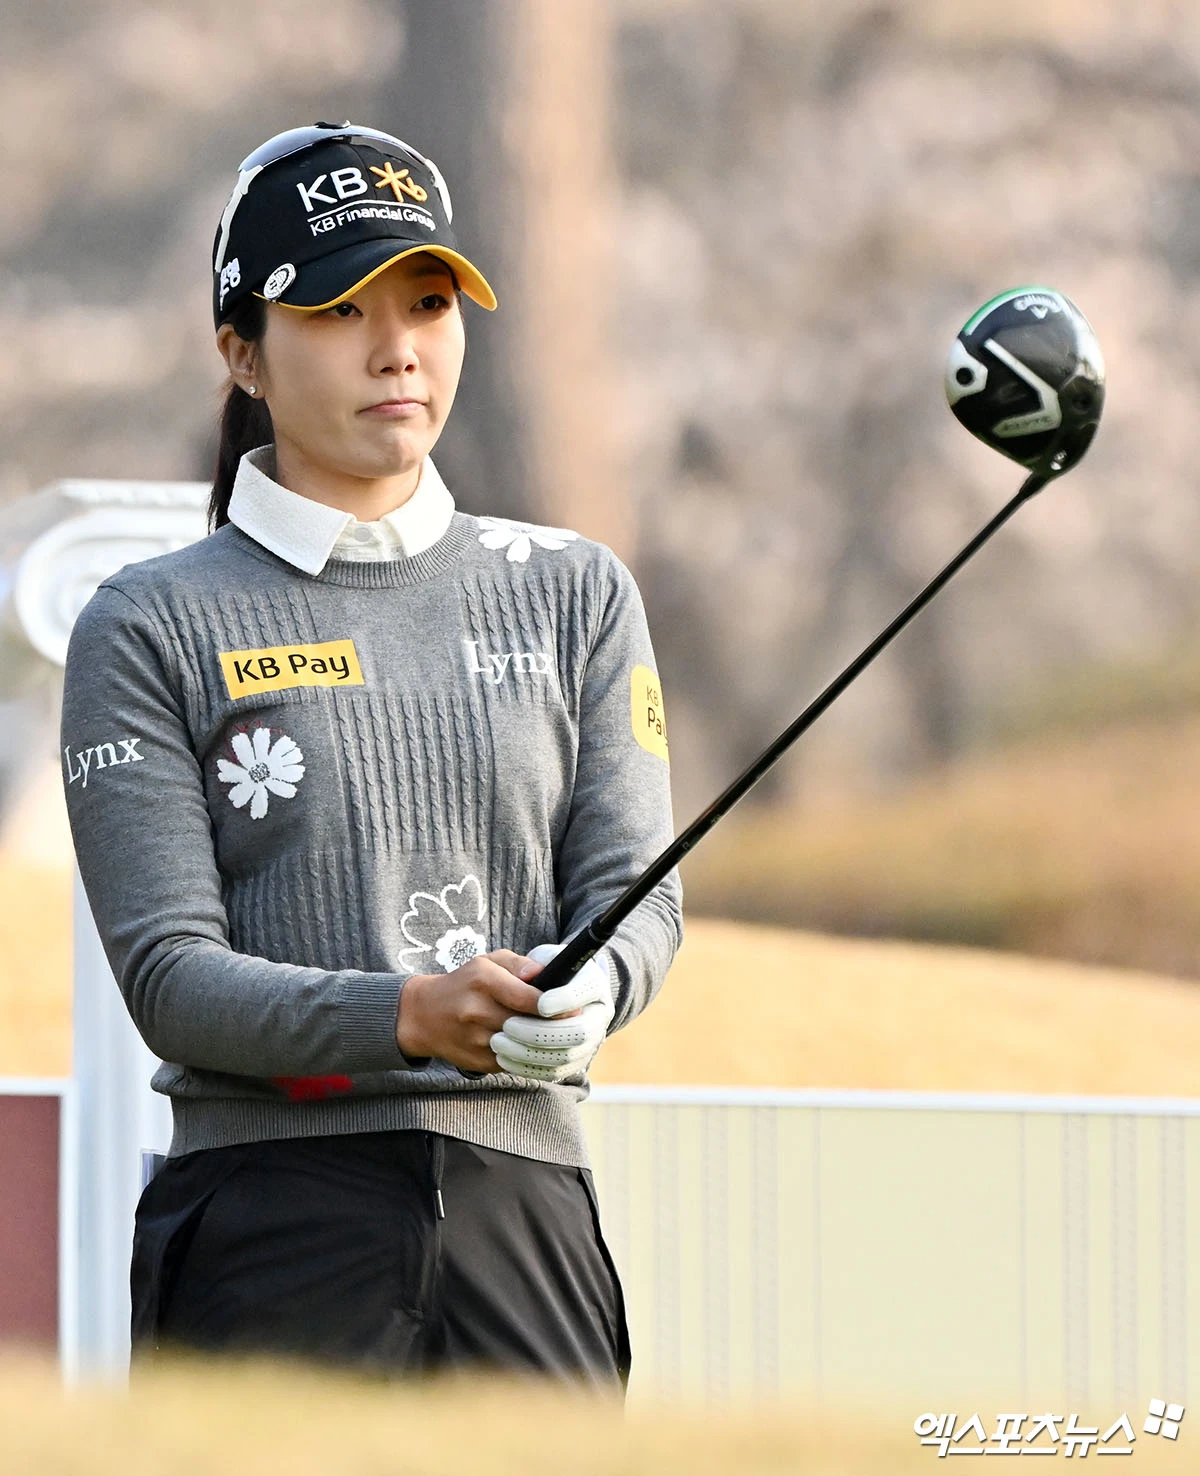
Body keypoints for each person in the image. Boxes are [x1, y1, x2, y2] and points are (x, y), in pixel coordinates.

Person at [60, 122, 683, 1389]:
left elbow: (637, 899)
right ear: (241, 351)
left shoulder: (577, 592)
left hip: (527, 1209)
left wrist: (591, 994)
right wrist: (409, 1015)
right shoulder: (147, 621)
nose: (397, 347)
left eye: (428, 302)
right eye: (339, 309)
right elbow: (170, 978)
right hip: (264, 1220)